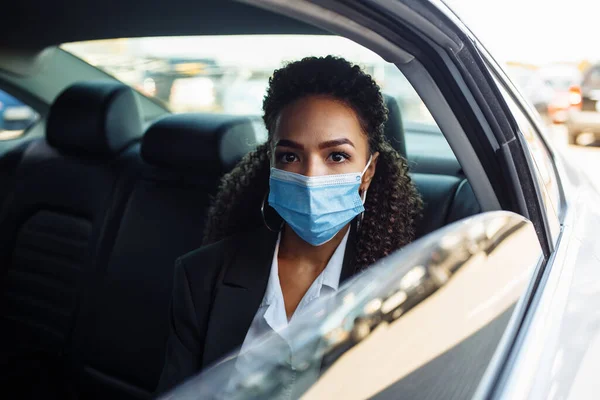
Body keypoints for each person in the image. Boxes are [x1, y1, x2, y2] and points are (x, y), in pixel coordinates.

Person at [156, 56, 422, 394]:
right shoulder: (201, 277)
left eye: (336, 156)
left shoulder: (403, 285)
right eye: (290, 156)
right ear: (270, 161)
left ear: (368, 171)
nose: (311, 176)